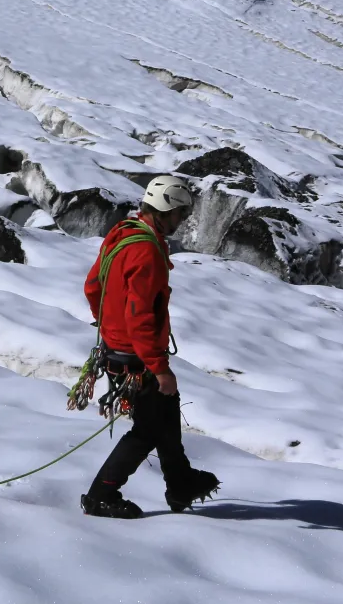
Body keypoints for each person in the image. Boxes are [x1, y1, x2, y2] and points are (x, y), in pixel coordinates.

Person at [79, 175, 220, 519]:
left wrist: (109, 324)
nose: (182, 220)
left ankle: (180, 481)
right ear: (167, 210)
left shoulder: (123, 233)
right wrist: (159, 367)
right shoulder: (147, 252)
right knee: (147, 430)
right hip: (136, 357)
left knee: (165, 414)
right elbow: (140, 315)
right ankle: (101, 495)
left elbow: (93, 286)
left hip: (118, 349)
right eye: (181, 213)